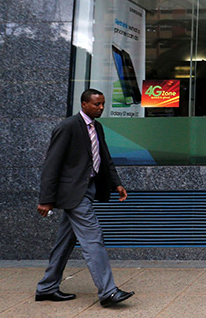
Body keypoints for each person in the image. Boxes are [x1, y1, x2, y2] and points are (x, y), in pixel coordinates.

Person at [36, 89, 134, 308]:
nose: (101, 107)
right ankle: (108, 292)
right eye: (97, 104)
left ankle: (47, 287)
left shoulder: (97, 127)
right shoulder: (67, 127)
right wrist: (46, 199)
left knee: (65, 241)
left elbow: (105, 158)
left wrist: (116, 183)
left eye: (103, 103)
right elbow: (52, 165)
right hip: (74, 193)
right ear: (84, 104)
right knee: (93, 239)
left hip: (89, 189)